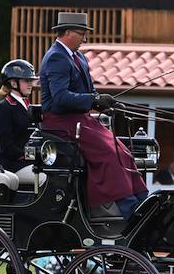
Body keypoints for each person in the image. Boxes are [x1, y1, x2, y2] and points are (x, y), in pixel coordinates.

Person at [39, 11, 147, 220]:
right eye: (82, 34)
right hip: (61, 122)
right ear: (68, 33)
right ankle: (128, 208)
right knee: (108, 153)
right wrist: (93, 100)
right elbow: (60, 98)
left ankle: (142, 199)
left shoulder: (78, 57)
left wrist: (102, 102)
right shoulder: (56, 58)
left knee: (123, 150)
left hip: (80, 119)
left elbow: (88, 91)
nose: (85, 39)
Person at [0, 59, 45, 191]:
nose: (30, 84)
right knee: (46, 177)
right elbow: (6, 146)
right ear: (13, 83)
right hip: (12, 165)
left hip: (30, 161)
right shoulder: (3, 108)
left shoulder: (28, 105)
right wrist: (32, 155)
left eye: (31, 81)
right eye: (26, 81)